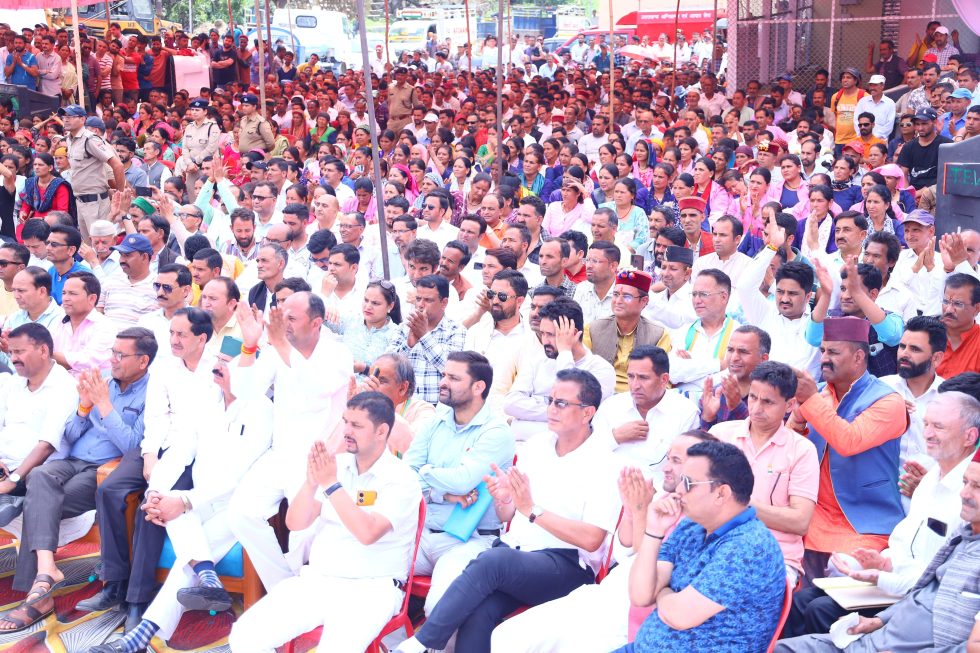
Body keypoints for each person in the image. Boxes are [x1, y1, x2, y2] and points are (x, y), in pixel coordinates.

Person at [395, 369, 620, 653]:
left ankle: (422, 643)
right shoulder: (536, 445)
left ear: (588, 412)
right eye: (550, 400)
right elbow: (508, 516)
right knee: (478, 613)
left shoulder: (605, 463)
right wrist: (503, 500)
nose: (551, 408)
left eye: (561, 403)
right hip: (516, 555)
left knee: (494, 560)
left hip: (566, 566)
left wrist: (533, 510)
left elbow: (592, 540)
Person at [91, 350, 272, 653]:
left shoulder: (261, 409)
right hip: (199, 501)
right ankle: (207, 577)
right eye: (219, 361)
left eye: (227, 364)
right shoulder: (206, 401)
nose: (218, 367)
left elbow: (237, 474)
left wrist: (184, 501)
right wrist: (155, 492)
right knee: (168, 505)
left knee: (183, 555)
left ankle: (141, 635)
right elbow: (180, 451)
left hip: (237, 506)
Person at [490, 429, 716, 653]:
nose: (665, 467)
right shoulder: (660, 496)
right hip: (607, 593)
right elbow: (622, 551)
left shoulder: (704, 520)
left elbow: (647, 568)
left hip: (632, 612)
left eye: (676, 461)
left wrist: (640, 511)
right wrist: (631, 510)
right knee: (507, 636)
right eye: (668, 458)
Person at [229, 392, 420, 652]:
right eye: (345, 422)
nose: (346, 431)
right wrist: (310, 483)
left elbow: (368, 533)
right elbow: (295, 523)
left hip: (372, 588)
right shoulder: (335, 465)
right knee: (245, 636)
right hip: (319, 581)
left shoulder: (402, 478)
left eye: (357, 425)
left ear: (381, 431)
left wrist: (330, 484)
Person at [783, 390, 980, 639]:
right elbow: (905, 544)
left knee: (820, 610)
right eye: (926, 424)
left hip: (921, 599)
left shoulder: (970, 497)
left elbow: (938, 581)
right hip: (893, 579)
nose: (928, 434)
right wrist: (882, 562)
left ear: (969, 436)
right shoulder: (931, 477)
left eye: (938, 427)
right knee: (801, 601)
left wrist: (882, 575)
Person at [226, 292, 354, 591]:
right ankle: (282, 588)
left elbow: (316, 390)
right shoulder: (277, 350)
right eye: (282, 317)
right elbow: (246, 391)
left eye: (292, 318)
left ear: (316, 323)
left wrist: (280, 345)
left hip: (320, 462)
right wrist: (249, 345)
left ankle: (298, 596)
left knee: (303, 536)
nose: (284, 324)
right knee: (241, 514)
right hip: (280, 454)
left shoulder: (337, 353)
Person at [622, 441, 786, 653]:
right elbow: (640, 595)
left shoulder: (749, 547)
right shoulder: (692, 525)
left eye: (688, 483)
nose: (678, 490)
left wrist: (662, 592)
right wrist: (654, 530)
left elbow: (679, 615)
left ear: (721, 494)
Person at [786, 316, 908, 583]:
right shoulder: (818, 394)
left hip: (864, 520)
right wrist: (796, 419)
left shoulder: (888, 401)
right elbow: (787, 451)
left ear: (858, 357)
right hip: (812, 515)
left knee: (842, 573)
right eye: (822, 351)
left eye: (833, 352)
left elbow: (849, 441)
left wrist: (810, 402)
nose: (823, 359)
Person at [401, 350, 514, 617]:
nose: (443, 382)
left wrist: (425, 470)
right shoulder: (435, 422)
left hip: (469, 541)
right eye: (444, 375)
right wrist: (442, 494)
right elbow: (405, 476)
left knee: (438, 608)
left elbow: (463, 482)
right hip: (421, 534)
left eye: (453, 378)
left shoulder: (496, 432)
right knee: (366, 577)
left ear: (478, 387)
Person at [0, 323, 80, 632]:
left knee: (37, 481)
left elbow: (47, 444)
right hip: (6, 469)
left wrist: (15, 476)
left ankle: (39, 596)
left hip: (37, 475)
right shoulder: (11, 384)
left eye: (20, 352)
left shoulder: (64, 386)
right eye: (11, 352)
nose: (13, 358)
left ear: (44, 350)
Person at [710, 361, 819, 585]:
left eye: (767, 402)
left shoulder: (801, 450)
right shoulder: (721, 435)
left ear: (789, 405)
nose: (756, 408)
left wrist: (739, 505)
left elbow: (800, 521)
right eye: (752, 397)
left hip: (775, 555)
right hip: (715, 545)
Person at [504, 298, 616, 440]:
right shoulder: (537, 360)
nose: (545, 341)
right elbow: (510, 404)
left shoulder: (601, 370)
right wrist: (560, 409)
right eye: (542, 333)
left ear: (573, 333)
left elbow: (577, 420)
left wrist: (519, 425)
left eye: (551, 334)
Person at [590, 345, 700, 470]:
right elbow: (586, 454)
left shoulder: (685, 412)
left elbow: (689, 468)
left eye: (643, 378)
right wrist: (615, 437)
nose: (635, 385)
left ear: (664, 379)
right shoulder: (611, 407)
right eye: (631, 376)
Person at [583, 270, 672, 392]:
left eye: (627, 296)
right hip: (599, 394)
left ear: (644, 301)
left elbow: (663, 381)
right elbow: (581, 371)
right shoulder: (592, 329)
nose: (618, 301)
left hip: (640, 397)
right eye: (615, 294)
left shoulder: (658, 335)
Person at [389, 275, 467, 404]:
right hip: (404, 405)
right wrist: (408, 345)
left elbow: (451, 369)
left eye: (428, 300)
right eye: (418, 299)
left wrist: (424, 336)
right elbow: (389, 367)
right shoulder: (404, 327)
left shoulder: (456, 330)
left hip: (439, 407)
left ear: (444, 303)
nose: (420, 305)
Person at [59, 104, 125, 242]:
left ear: (82, 119)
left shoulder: (90, 139)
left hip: (95, 202)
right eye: (64, 116)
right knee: (88, 245)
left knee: (100, 243)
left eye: (70, 116)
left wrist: (120, 194)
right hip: (81, 200)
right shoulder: (70, 139)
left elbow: (117, 165)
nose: (66, 119)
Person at [51, 271, 115, 378]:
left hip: (89, 386)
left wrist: (47, 354)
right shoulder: (57, 321)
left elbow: (87, 362)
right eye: (64, 293)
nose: (65, 298)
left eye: (72, 293)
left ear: (92, 299)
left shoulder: (104, 326)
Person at [97, 234, 158, 330]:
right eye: (121, 254)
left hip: (140, 338)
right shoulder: (110, 281)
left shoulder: (159, 286)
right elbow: (97, 314)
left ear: (144, 257)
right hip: (106, 337)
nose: (122, 260)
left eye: (127, 255)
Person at [936, 273, 980, 379]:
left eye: (958, 304)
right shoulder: (926, 335)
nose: (948, 310)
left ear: (977, 308)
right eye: (946, 302)